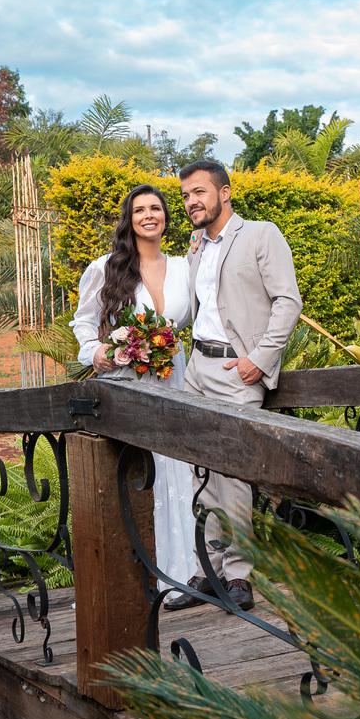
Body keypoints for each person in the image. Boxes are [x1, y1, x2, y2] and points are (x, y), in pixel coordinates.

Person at [162, 160, 302, 612]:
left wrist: (259, 362)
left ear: (224, 193)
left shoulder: (262, 234)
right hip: (196, 369)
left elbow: (288, 301)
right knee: (200, 474)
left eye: (199, 192)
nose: (190, 202)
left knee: (236, 476)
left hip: (235, 372)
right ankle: (210, 571)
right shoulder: (195, 246)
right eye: (185, 195)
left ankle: (240, 576)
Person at [70, 184, 197, 590]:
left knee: (177, 466)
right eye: (139, 209)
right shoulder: (106, 268)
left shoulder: (184, 267)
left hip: (173, 376)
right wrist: (95, 353)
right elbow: (84, 322)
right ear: (130, 217)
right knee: (137, 471)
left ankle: (186, 571)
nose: (148, 215)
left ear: (165, 217)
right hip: (126, 378)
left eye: (156, 208)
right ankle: (133, 576)